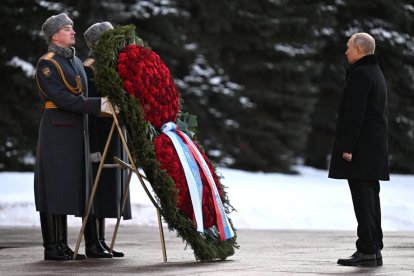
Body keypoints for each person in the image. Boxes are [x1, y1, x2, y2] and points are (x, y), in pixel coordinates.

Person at [34, 13, 115, 261]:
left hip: (76, 130)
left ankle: (64, 245)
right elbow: (63, 99)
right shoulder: (47, 64)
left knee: (71, 187)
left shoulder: (76, 62)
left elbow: (79, 96)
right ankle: (53, 245)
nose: (73, 32)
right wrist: (99, 105)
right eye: (67, 29)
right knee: (54, 187)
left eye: (71, 28)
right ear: (54, 35)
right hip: (57, 130)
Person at [328, 32, 389, 267]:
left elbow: (355, 115)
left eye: (348, 48)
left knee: (363, 201)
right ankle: (373, 249)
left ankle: (366, 250)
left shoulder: (361, 75)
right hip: (372, 150)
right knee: (371, 200)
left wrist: (347, 147)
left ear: (359, 50)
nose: (346, 52)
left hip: (360, 151)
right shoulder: (375, 73)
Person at [83, 22, 132, 258]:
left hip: (112, 133)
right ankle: (92, 242)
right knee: (95, 188)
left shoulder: (109, 66)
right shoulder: (90, 68)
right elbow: (89, 111)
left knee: (106, 189)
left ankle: (101, 241)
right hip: (99, 135)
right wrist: (92, 147)